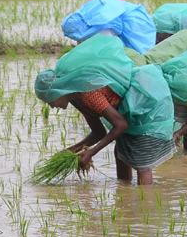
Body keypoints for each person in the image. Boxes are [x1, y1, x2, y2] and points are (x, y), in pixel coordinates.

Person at [34, 34, 175, 186]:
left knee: (142, 159)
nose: (52, 106)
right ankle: (124, 195)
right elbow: (98, 132)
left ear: (58, 92)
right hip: (128, 110)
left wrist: (91, 152)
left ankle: (146, 203)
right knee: (121, 154)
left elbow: (121, 125)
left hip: (146, 105)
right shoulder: (76, 99)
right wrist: (70, 151)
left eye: (50, 100)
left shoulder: (89, 93)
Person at [61, 0, 156, 53]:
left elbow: (107, 49)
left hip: (134, 27)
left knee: (136, 56)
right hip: (139, 22)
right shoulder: (93, 14)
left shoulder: (101, 23)